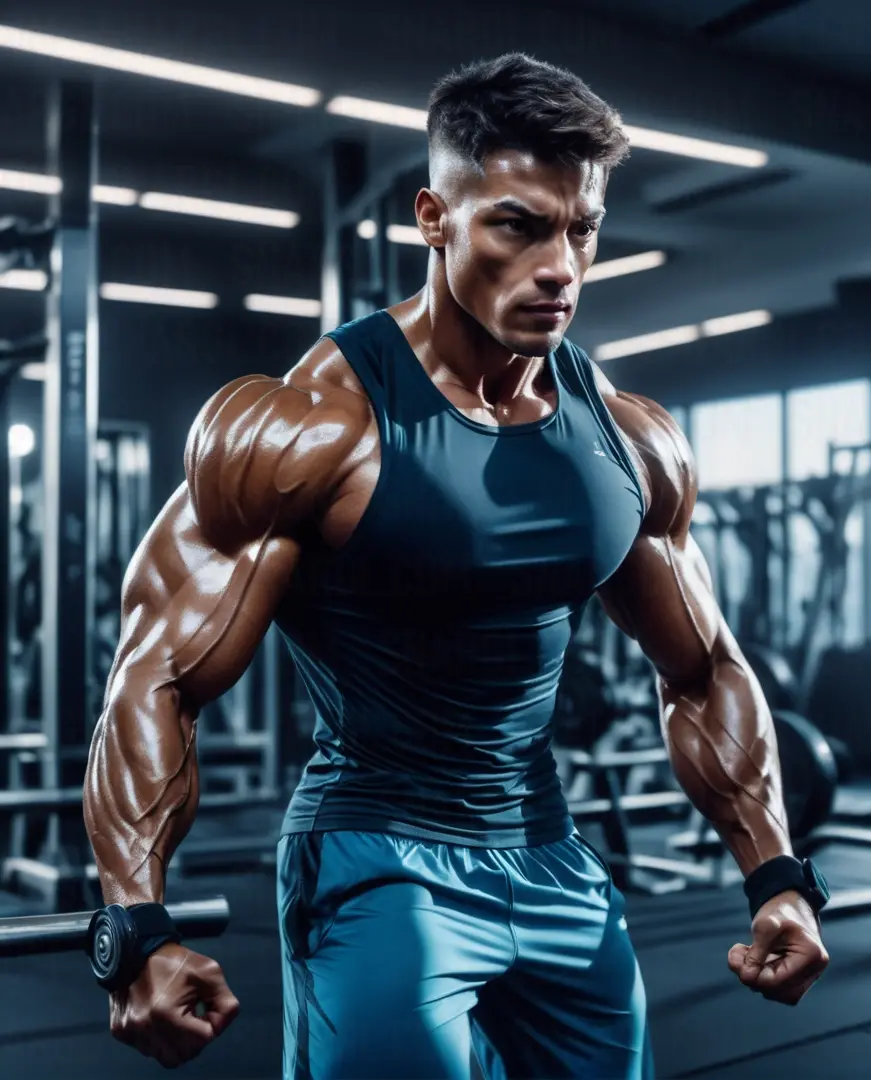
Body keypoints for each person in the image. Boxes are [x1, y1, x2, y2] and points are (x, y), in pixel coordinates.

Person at [82, 52, 829, 1079]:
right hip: (379, 859)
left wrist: (776, 872)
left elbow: (702, 670)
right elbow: (154, 673)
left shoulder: (624, 439)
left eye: (582, 229)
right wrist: (135, 926)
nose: (560, 265)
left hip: (558, 861)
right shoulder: (313, 429)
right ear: (434, 216)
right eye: (518, 225)